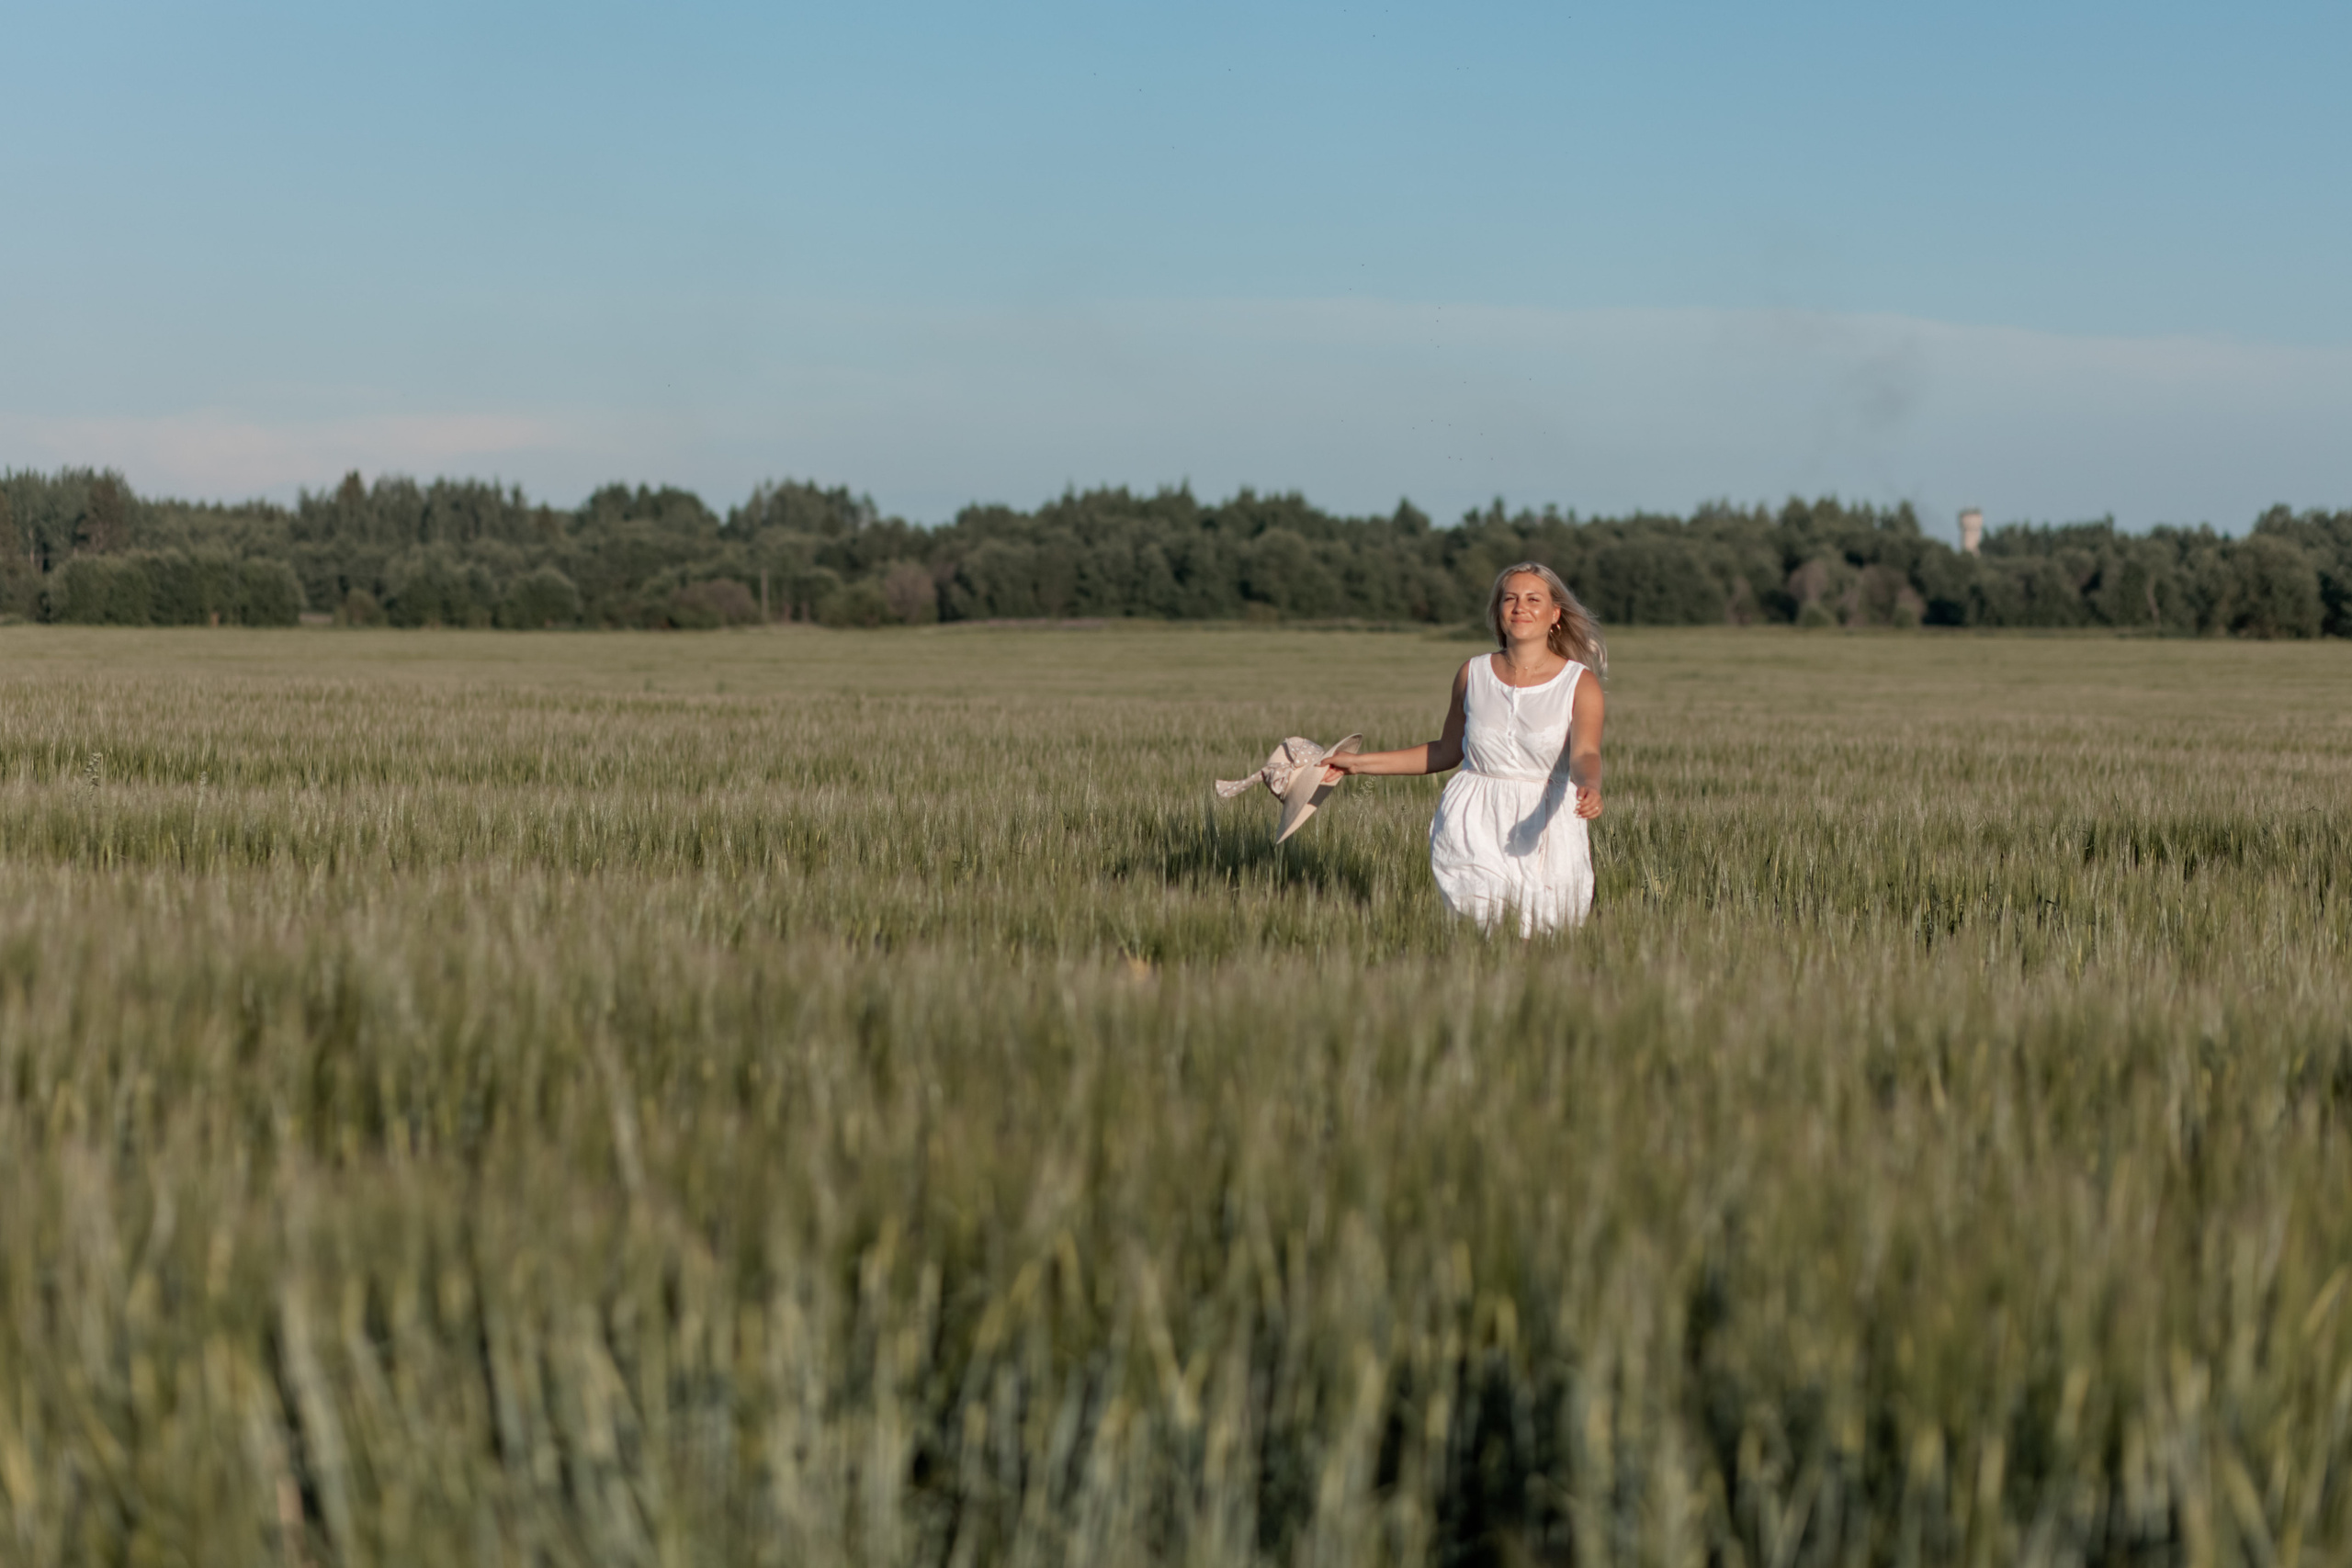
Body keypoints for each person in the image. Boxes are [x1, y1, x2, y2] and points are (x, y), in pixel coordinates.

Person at [1325, 562, 1606, 934]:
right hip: (1473, 820)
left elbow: (1586, 752)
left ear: (1555, 614)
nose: (1520, 607)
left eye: (1533, 599)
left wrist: (1591, 786)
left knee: (1542, 937)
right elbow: (1445, 751)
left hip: (1547, 823)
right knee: (1482, 930)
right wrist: (1357, 765)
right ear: (1499, 612)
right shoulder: (1472, 674)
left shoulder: (1578, 683)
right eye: (1510, 598)